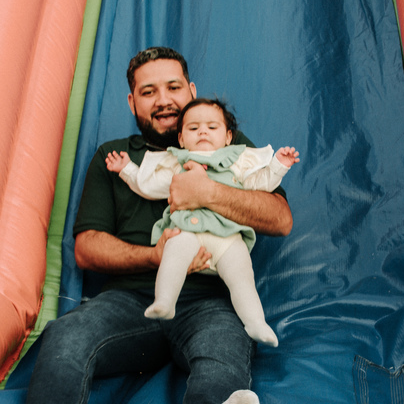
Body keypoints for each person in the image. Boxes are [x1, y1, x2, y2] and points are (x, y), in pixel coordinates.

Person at [0, 47, 293, 404]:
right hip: (132, 301)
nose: (163, 100)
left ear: (191, 90)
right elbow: (87, 247)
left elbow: (280, 219)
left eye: (173, 87)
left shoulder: (220, 140)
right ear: (132, 102)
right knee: (67, 335)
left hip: (209, 300)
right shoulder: (116, 157)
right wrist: (155, 255)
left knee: (223, 352)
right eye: (148, 92)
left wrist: (208, 193)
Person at [105, 97, 298, 347]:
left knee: (241, 275)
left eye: (212, 127)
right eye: (193, 128)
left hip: (227, 236)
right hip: (187, 231)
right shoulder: (177, 163)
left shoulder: (237, 161)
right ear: (181, 139)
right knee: (173, 254)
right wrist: (127, 169)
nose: (203, 131)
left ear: (228, 137)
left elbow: (260, 184)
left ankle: (256, 322)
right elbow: (149, 186)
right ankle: (164, 301)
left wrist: (278, 166)